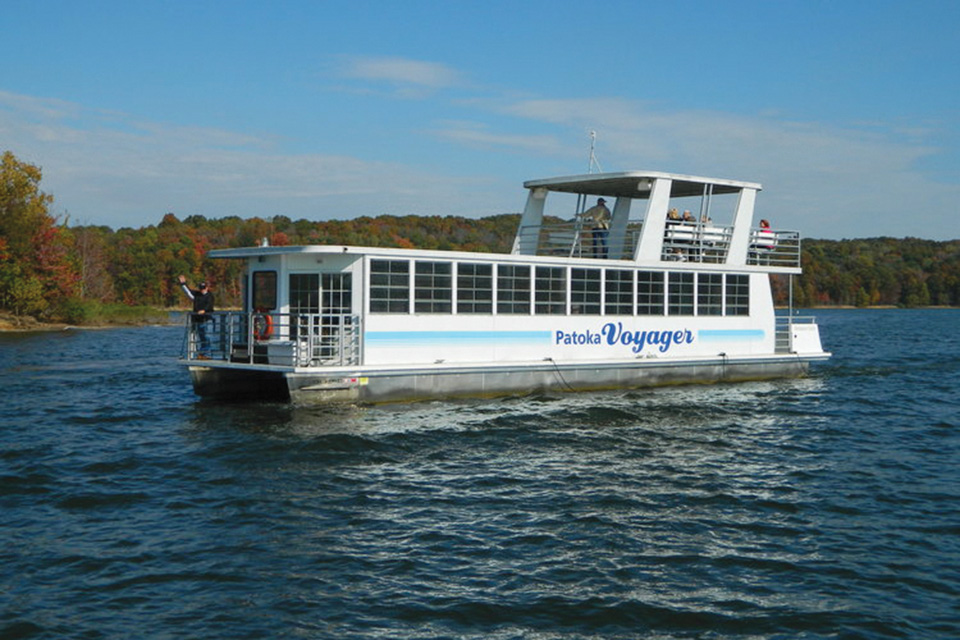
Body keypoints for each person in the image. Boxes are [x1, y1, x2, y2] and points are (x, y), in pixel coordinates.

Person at [178, 275, 215, 359]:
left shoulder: (210, 296)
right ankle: (203, 354)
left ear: (207, 288)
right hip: (198, 320)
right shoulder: (197, 295)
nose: (202, 290)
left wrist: (204, 311)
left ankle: (207, 354)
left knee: (208, 336)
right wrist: (183, 283)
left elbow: (209, 305)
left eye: (204, 288)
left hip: (207, 319)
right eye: (201, 288)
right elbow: (188, 292)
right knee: (202, 337)